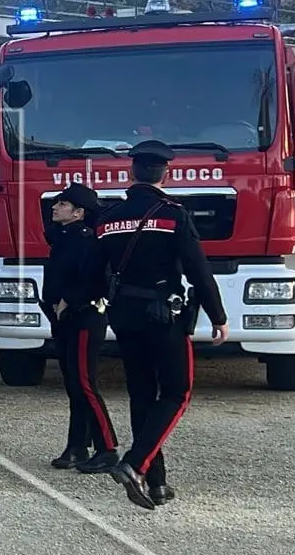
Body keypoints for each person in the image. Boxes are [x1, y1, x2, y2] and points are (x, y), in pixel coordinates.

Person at [94, 141, 228, 510]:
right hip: (162, 316)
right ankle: (135, 465)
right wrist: (218, 316)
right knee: (176, 393)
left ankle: (157, 484)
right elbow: (199, 271)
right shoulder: (173, 215)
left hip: (123, 315)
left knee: (142, 394)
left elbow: (96, 270)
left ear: (129, 173)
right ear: (165, 174)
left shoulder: (106, 219)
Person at [39, 182, 120, 473]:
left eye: (62, 204)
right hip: (65, 320)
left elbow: (97, 281)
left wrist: (67, 301)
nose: (54, 207)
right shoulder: (63, 238)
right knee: (73, 384)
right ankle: (76, 446)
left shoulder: (87, 241)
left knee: (86, 384)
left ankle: (107, 448)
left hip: (85, 317)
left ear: (78, 213)